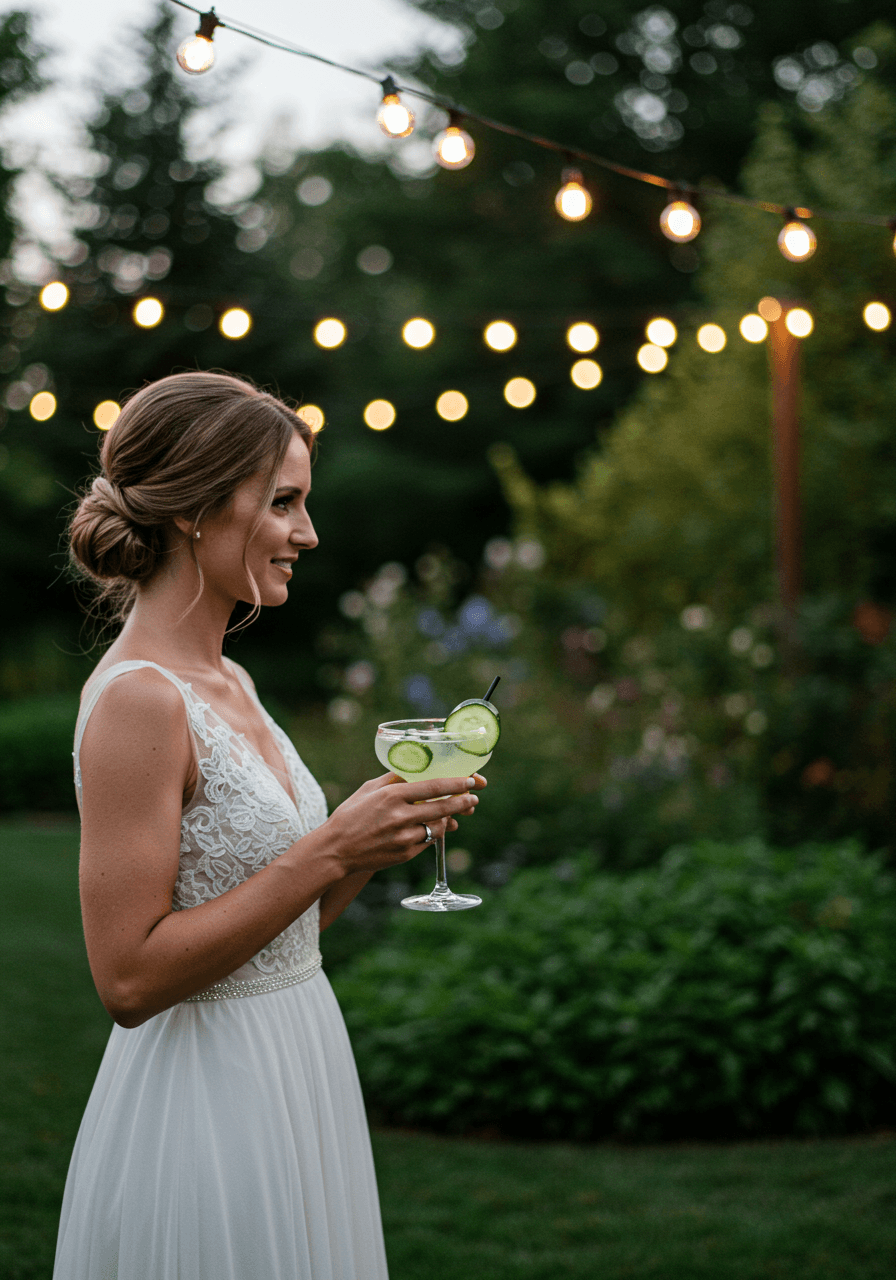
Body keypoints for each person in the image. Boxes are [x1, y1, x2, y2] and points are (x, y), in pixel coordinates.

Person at [54, 371, 484, 1280]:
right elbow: (127, 979)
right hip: (208, 1097)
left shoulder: (233, 681)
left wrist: (371, 842)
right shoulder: (141, 700)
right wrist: (330, 847)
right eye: (284, 502)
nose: (308, 532)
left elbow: (285, 932)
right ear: (195, 510)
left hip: (300, 1056)